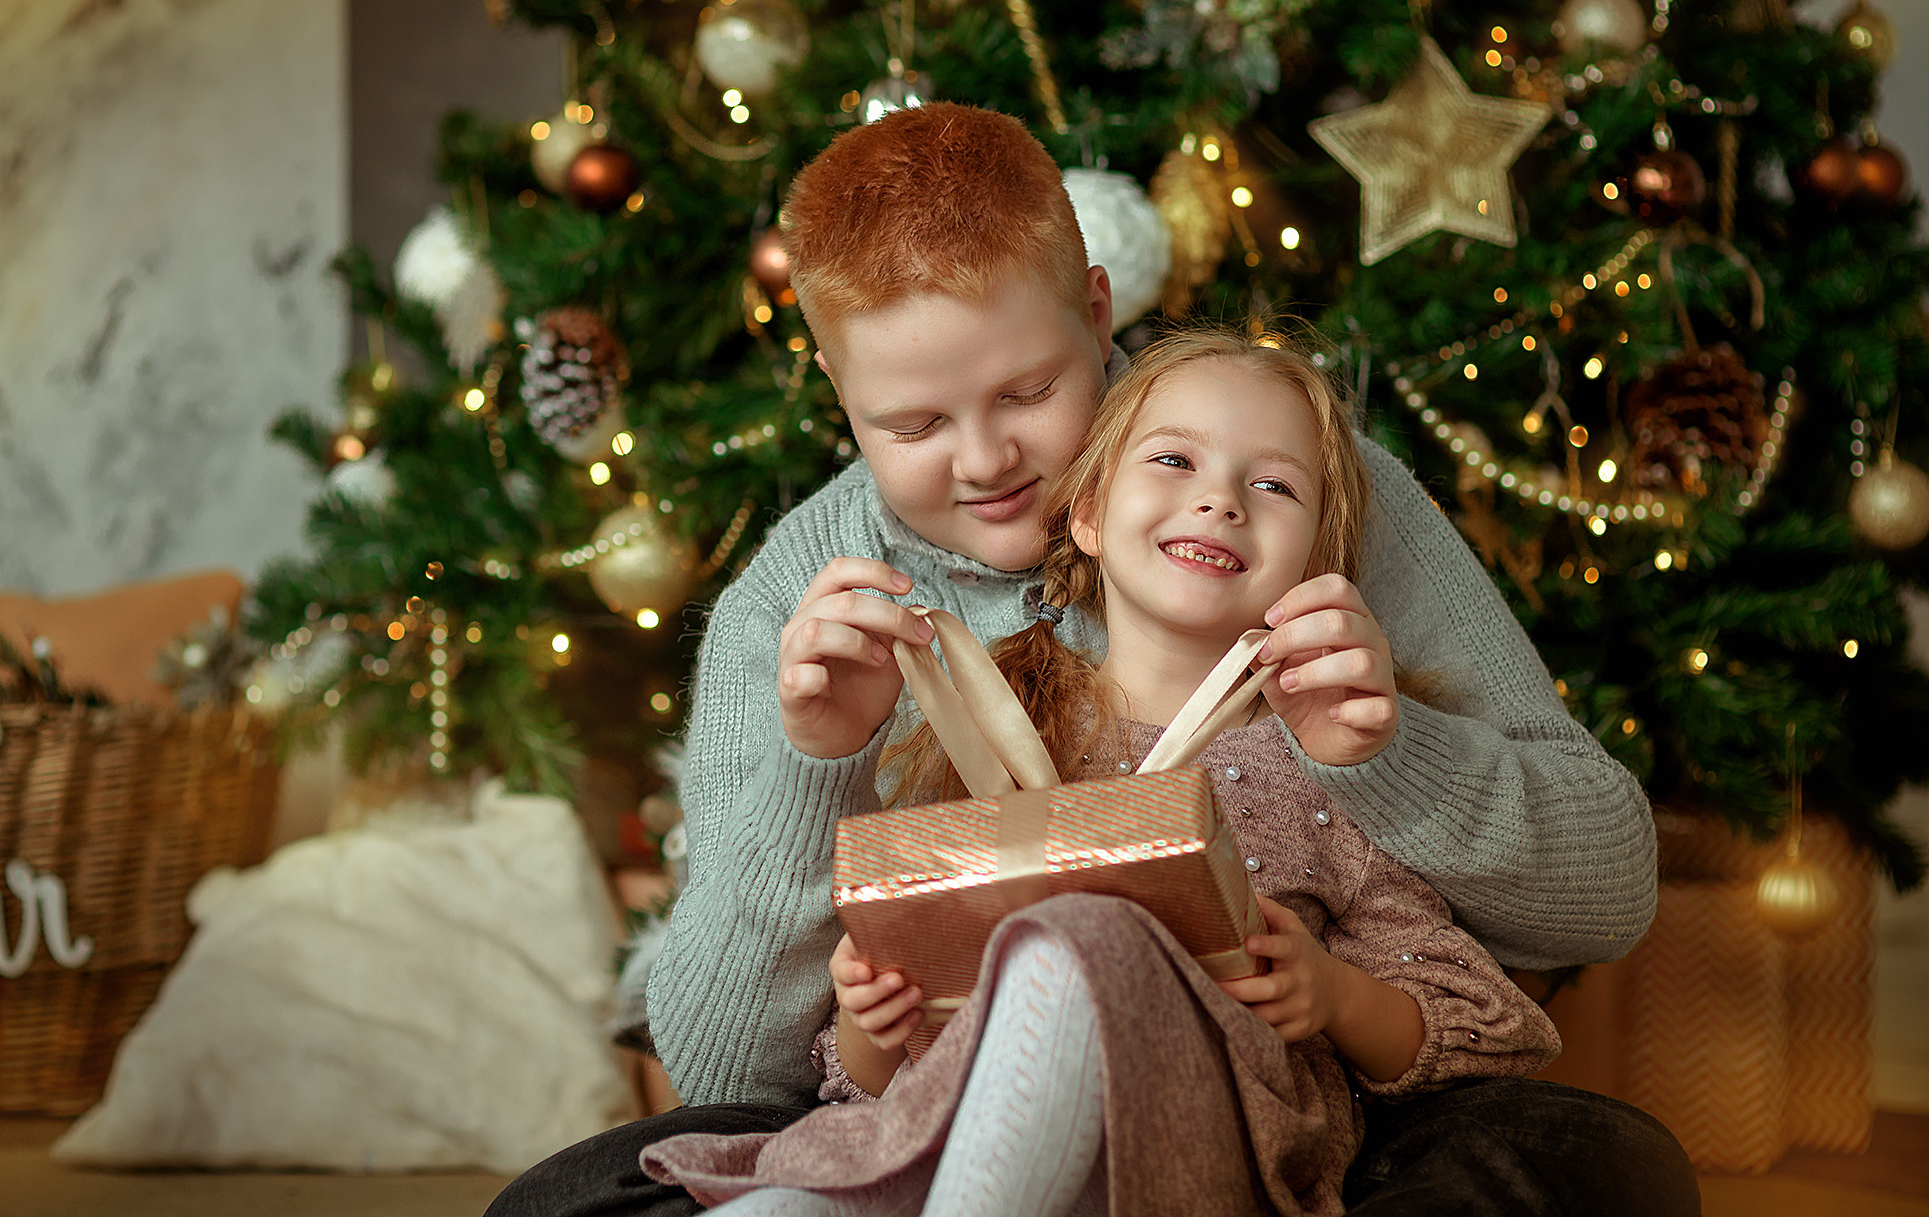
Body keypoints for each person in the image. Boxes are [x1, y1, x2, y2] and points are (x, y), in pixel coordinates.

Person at [484, 105, 1689, 1217]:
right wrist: (819, 768)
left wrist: (1384, 753)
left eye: (1028, 391)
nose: (984, 461)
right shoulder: (798, 600)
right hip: (924, 1104)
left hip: (1282, 1106)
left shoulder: (1284, 485)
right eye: (913, 424)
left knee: (1593, 1165)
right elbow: (726, 1074)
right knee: (563, 1202)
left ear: (1098, 312)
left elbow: (1606, 897)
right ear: (836, 390)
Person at [638, 328, 1567, 1214]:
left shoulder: (1330, 766)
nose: (1220, 500)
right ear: (1085, 514)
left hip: (1194, 1153)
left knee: (1085, 936)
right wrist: (870, 1023)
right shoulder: (982, 733)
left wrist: (1332, 992)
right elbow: (874, 1077)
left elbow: (1483, 1028)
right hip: (954, 1134)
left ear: (1319, 563)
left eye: (1274, 484)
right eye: (1173, 459)